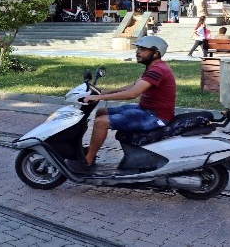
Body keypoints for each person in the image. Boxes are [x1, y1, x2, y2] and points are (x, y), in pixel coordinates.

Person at [74, 36, 176, 168]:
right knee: (101, 112)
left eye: (142, 49)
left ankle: (88, 160)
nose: (137, 52)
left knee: (101, 122)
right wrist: (105, 92)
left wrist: (98, 98)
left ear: (155, 53)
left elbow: (132, 93)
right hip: (146, 110)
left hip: (156, 117)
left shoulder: (158, 70)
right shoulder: (154, 67)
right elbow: (133, 86)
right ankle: (91, 150)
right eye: (138, 48)